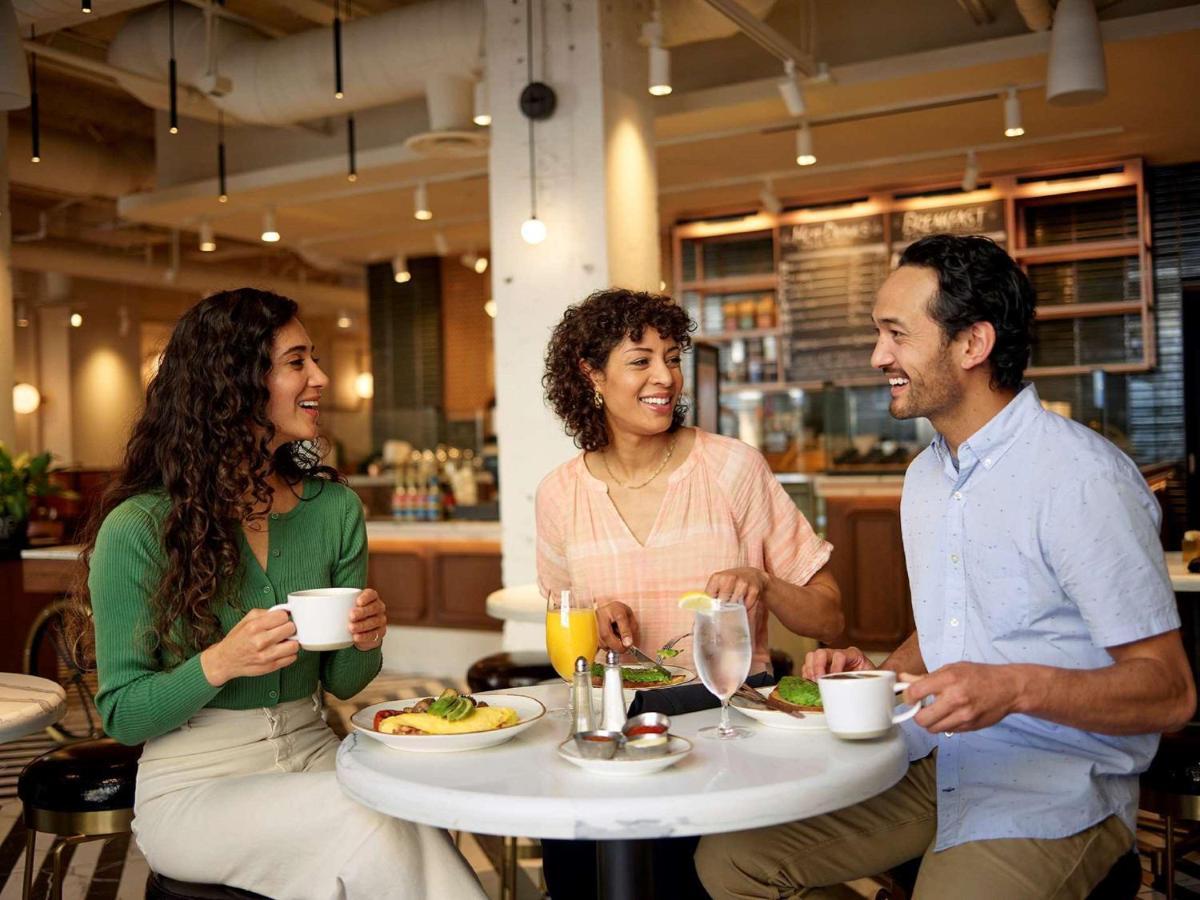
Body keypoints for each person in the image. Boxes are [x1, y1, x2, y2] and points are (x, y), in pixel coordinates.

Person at [695, 234, 1197, 899]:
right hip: (935, 762)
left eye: (896, 334)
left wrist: (1014, 687)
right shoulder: (925, 477)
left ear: (971, 344)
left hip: (1053, 787)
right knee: (729, 863)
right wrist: (881, 672)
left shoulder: (1082, 478)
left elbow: (1169, 695)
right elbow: (957, 630)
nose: (879, 357)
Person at [71, 289, 484, 900]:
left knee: (409, 809)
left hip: (317, 753)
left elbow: (344, 680)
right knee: (372, 820)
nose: (320, 377)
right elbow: (124, 715)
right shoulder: (139, 527)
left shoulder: (333, 508)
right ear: (234, 382)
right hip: (194, 785)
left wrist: (366, 635)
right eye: (296, 362)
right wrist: (219, 663)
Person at [537, 287, 843, 899]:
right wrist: (595, 617)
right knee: (575, 868)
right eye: (640, 359)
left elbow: (830, 616)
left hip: (725, 719)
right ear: (591, 374)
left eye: (672, 357)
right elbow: (564, 625)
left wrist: (763, 582)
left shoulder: (732, 468)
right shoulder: (560, 494)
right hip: (611, 724)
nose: (666, 377)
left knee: (682, 879)